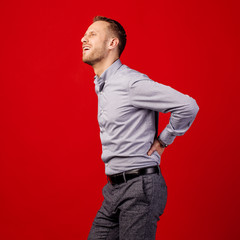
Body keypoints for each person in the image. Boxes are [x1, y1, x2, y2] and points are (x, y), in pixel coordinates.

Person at [81, 16, 199, 240]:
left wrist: (164, 139)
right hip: (114, 189)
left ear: (112, 43)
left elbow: (187, 106)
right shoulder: (103, 85)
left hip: (139, 188)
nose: (83, 38)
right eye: (85, 35)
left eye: (92, 34)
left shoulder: (130, 83)